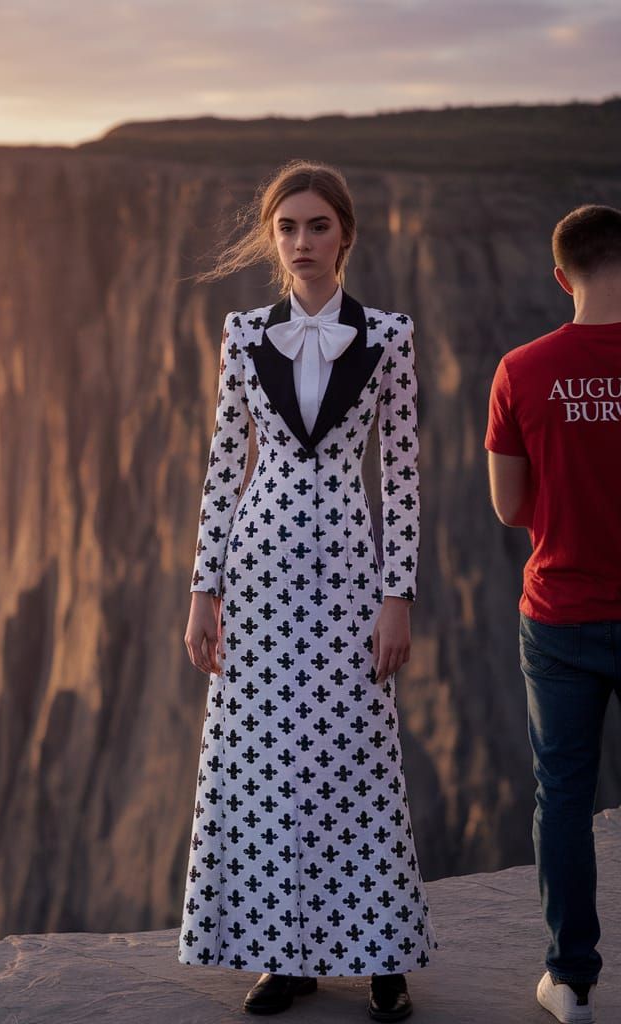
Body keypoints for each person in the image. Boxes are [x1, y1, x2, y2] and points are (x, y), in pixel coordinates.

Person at [179, 159, 437, 1021]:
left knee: (359, 755)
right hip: (257, 572)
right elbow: (223, 466)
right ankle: (281, 956)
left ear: (346, 234)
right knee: (261, 762)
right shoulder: (245, 332)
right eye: (287, 227)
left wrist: (396, 594)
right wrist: (202, 588)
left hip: (351, 574)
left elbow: (400, 473)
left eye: (317, 225)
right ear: (272, 237)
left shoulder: (391, 336)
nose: (302, 242)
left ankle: (384, 960)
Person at [485, 203, 621, 1024]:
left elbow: (508, 508)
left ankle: (570, 981)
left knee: (563, 796)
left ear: (560, 275)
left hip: (562, 615)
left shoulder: (522, 369)